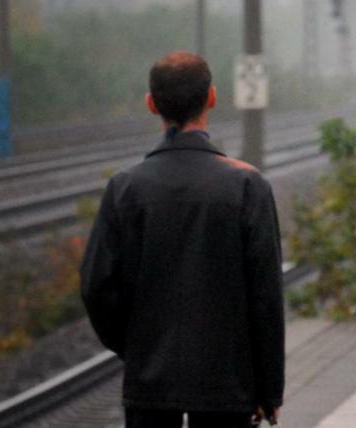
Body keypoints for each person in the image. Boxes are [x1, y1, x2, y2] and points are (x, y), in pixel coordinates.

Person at [80, 51, 285, 428]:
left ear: (151, 104)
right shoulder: (246, 185)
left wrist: (138, 347)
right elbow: (266, 295)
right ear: (211, 97)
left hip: (149, 384)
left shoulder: (126, 188)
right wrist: (268, 390)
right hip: (228, 385)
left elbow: (97, 287)